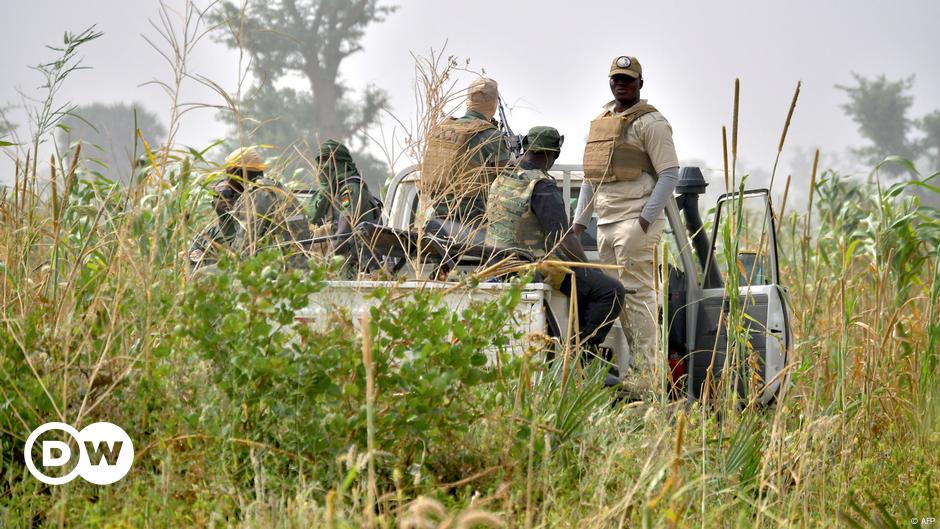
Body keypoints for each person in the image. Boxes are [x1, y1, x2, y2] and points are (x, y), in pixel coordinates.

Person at [572, 55, 681, 394]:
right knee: (615, 299)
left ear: (640, 84)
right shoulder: (601, 122)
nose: (622, 84)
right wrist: (578, 223)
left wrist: (645, 220)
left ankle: (646, 378)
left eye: (629, 79)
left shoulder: (652, 123)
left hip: (633, 220)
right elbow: (592, 176)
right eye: (617, 78)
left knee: (639, 297)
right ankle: (624, 372)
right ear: (610, 81)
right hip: (605, 222)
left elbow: (669, 173)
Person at [485, 126, 625, 383]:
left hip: (497, 268)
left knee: (583, 284)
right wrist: (587, 268)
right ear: (554, 154)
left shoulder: (500, 179)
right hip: (530, 270)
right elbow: (564, 237)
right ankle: (578, 355)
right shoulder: (542, 186)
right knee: (610, 290)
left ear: (527, 146)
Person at [422, 77, 511, 225]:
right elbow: (508, 179)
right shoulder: (491, 136)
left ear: (468, 101)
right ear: (493, 104)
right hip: (472, 220)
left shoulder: (442, 130)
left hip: (438, 215)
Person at [226, 146, 311, 268]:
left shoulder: (254, 196)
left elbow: (244, 248)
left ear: (238, 173)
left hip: (276, 271)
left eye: (228, 174)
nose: (227, 181)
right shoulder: (281, 190)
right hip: (300, 267)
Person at [306, 139, 382, 237]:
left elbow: (343, 234)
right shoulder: (322, 196)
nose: (322, 166)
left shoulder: (351, 189)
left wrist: (331, 253)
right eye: (320, 160)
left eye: (328, 160)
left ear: (343, 164)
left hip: (352, 250)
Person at [187, 178, 240, 271]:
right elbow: (192, 271)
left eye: (233, 195)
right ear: (213, 204)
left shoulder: (248, 234)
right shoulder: (201, 240)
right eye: (223, 194)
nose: (227, 199)